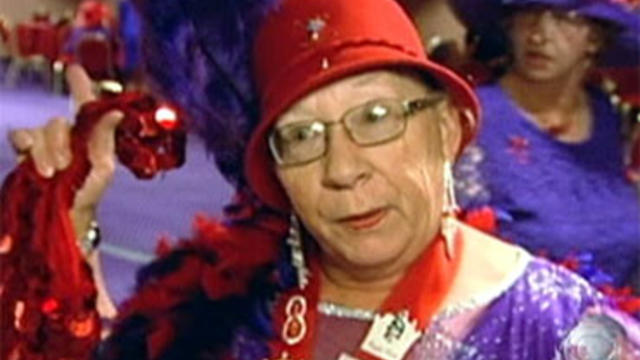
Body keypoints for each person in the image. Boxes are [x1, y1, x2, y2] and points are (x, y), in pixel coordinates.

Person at [4, 0, 640, 359]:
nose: (341, 169)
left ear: (446, 129)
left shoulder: (556, 326)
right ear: (275, 171)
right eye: (303, 136)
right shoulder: (227, 314)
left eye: (376, 118)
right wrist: (70, 227)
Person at [452, 0, 640, 291]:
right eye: (528, 14)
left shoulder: (609, 116)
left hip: (619, 327)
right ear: (509, 25)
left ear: (595, 38)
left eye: (564, 18)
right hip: (512, 325)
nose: (539, 34)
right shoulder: (469, 116)